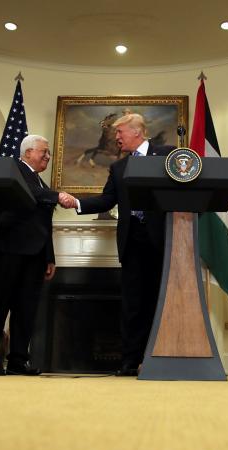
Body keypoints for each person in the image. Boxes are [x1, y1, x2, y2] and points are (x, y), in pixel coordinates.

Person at [63, 113, 175, 376]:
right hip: (132, 241)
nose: (116, 138)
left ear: (136, 132)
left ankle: (158, 358)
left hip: (162, 239)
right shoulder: (118, 168)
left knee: (159, 300)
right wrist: (76, 203)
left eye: (120, 133)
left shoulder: (167, 154)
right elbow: (106, 201)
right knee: (132, 304)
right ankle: (129, 361)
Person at [0, 134, 73, 375]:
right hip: (8, 249)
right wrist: (58, 196)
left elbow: (44, 223)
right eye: (43, 151)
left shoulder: (39, 182)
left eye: (48, 153)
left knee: (26, 309)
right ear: (27, 153)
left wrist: (50, 257)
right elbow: (28, 192)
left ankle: (17, 361)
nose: (48, 156)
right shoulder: (13, 169)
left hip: (35, 254)